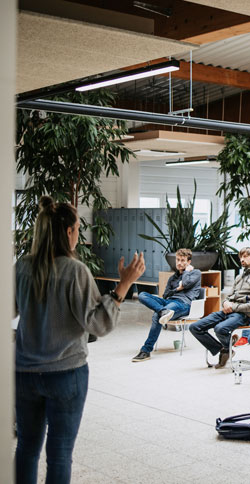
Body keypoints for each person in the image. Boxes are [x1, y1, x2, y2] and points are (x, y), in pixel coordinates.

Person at [14, 196, 145, 484]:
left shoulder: (22, 267)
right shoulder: (75, 272)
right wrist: (123, 286)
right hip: (65, 374)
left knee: (26, 447)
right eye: (77, 229)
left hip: (23, 374)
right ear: (69, 232)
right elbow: (98, 325)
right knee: (59, 454)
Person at [189, 247, 250, 369]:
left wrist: (233, 307)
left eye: (246, 256)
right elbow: (228, 297)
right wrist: (225, 303)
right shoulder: (239, 277)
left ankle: (226, 349)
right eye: (241, 256)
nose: (242, 259)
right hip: (227, 311)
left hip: (242, 315)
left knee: (220, 328)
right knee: (194, 327)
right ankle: (224, 349)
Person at [132, 248, 201, 362]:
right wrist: (178, 289)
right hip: (169, 302)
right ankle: (162, 311)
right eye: (177, 260)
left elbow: (186, 283)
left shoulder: (195, 273)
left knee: (156, 316)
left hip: (183, 304)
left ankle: (146, 350)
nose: (179, 263)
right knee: (142, 295)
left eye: (183, 260)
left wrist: (187, 272)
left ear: (189, 262)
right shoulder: (172, 278)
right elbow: (166, 294)